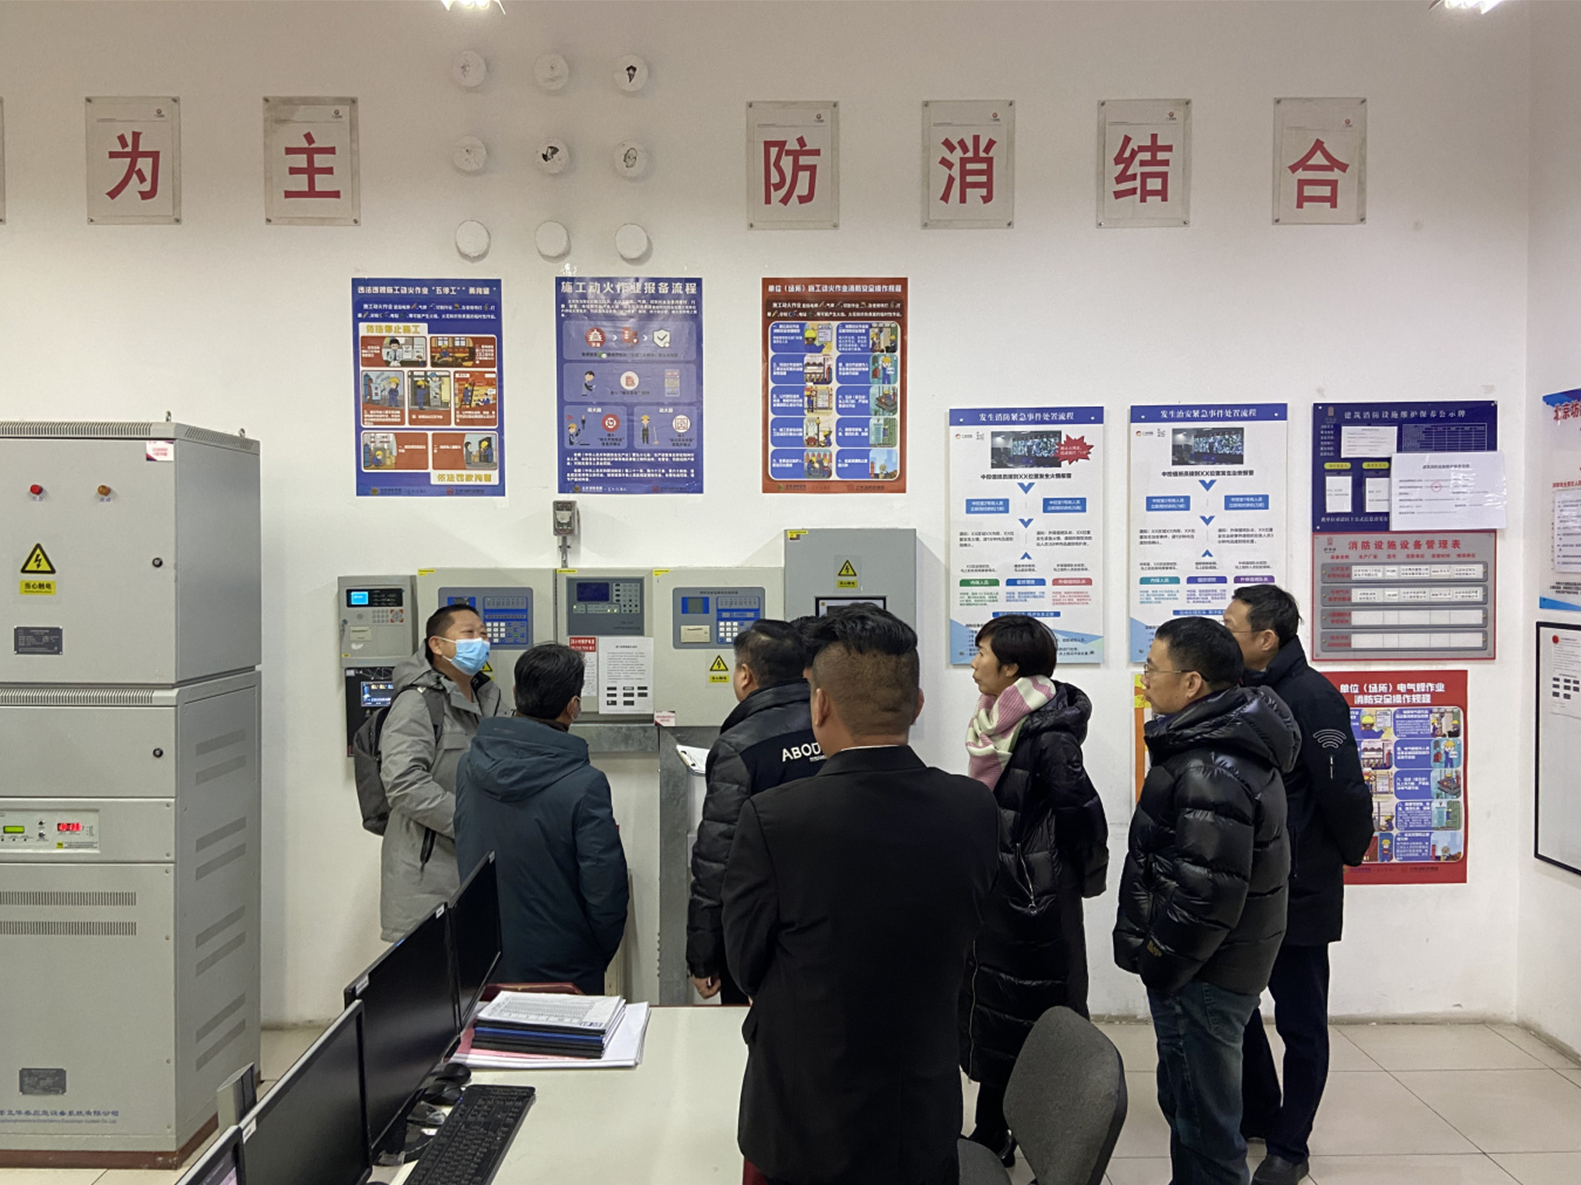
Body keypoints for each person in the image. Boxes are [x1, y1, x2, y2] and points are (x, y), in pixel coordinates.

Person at [723, 606, 999, 1185]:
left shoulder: (774, 819)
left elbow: (747, 965)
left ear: (819, 705)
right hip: (921, 1115)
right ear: (916, 705)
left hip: (804, 1121)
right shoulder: (973, 808)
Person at [1114, 617, 1299, 1185]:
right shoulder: (1214, 746)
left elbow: (1206, 894)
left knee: (1206, 1128)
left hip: (1203, 973)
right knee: (1191, 1108)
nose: (1145, 679)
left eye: (1152, 668)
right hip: (1213, 966)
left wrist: (1159, 961)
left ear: (1192, 682)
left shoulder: (1209, 766)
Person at [1223, 588, 1373, 1185]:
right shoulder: (1237, 689)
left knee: (1301, 1022)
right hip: (1244, 885)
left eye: (1232, 626)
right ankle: (1260, 1111)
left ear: (1266, 639)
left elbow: (1345, 791)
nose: (1222, 633)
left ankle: (1291, 1144)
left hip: (1299, 885)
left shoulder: (1312, 697)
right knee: (1236, 1007)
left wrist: (1342, 857)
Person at [959, 615, 1109, 1169]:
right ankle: (994, 1130)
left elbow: (1084, 815)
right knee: (1000, 1012)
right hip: (1002, 892)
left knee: (1031, 1016)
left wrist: (1073, 885)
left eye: (981, 653)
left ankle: (1031, 1134)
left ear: (1012, 668)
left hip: (1033, 902)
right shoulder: (998, 719)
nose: (974, 662)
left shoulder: (1048, 736)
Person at [454, 643, 629, 994]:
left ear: (515, 692)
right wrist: (593, 957)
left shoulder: (469, 767)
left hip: (483, 961)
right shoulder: (585, 784)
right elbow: (605, 891)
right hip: (565, 969)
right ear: (573, 706)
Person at [687, 620, 823, 1005]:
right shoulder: (831, 724)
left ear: (745, 675)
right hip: (828, 928)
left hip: (758, 937)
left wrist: (703, 953)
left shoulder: (739, 746)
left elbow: (717, 859)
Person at [379, 604, 508, 941]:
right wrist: (469, 821)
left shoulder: (489, 700)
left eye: (483, 634)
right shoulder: (416, 702)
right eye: (468, 633)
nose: (480, 641)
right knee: (431, 968)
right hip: (426, 877)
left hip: (478, 866)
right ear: (436, 644)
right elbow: (404, 783)